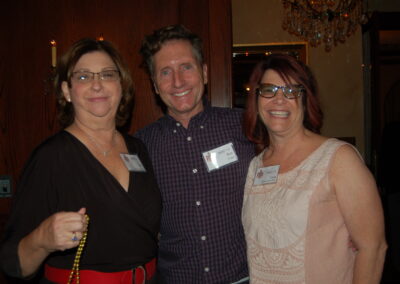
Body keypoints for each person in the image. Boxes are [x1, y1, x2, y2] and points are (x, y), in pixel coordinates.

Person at [0, 38, 161, 284]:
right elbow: (13, 263)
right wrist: (42, 239)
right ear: (66, 91)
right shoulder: (50, 157)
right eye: (84, 77)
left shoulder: (138, 148)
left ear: (121, 85)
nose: (97, 85)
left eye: (107, 75)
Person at [241, 53, 387, 284]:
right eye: (269, 90)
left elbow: (373, 247)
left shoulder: (338, 158)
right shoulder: (256, 165)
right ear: (256, 99)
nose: (279, 99)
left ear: (305, 99)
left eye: (291, 91)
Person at [135, 24, 255, 283]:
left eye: (186, 67)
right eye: (165, 72)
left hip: (243, 278)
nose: (177, 82)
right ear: (155, 85)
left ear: (204, 72)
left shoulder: (245, 127)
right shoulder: (139, 147)